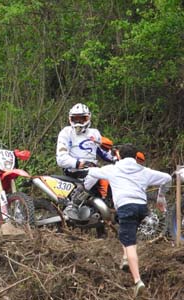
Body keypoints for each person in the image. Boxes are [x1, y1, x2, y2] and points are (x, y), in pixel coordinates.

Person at [85, 143, 171, 298]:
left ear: (119, 155)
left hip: (126, 207)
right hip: (141, 208)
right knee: (122, 224)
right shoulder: (144, 170)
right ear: (135, 156)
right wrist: (161, 196)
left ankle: (138, 280)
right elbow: (167, 178)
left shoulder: (113, 169)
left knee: (130, 243)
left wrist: (85, 183)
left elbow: (92, 171)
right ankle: (125, 258)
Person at [56, 103, 115, 198]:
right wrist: (78, 163)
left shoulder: (94, 133)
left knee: (114, 173)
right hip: (74, 170)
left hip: (91, 169)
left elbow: (103, 152)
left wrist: (118, 157)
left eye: (82, 118)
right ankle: (74, 203)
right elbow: (61, 158)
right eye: (75, 119)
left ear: (88, 118)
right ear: (70, 119)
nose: (78, 122)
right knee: (95, 173)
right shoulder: (66, 132)